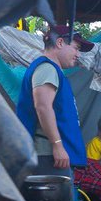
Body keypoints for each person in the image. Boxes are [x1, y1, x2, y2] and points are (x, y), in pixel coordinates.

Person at [16, 23, 91, 180]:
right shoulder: (47, 68)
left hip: (51, 155)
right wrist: (57, 145)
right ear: (60, 43)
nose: (78, 54)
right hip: (47, 154)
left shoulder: (51, 69)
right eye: (76, 48)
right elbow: (43, 107)